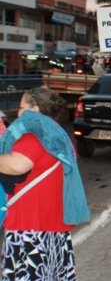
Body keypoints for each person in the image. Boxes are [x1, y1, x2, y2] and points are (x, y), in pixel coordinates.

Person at [0, 86, 90, 280]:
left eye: (21, 106)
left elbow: (17, 165)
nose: (19, 112)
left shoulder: (34, 135)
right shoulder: (56, 134)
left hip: (30, 229)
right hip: (52, 226)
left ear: (35, 110)